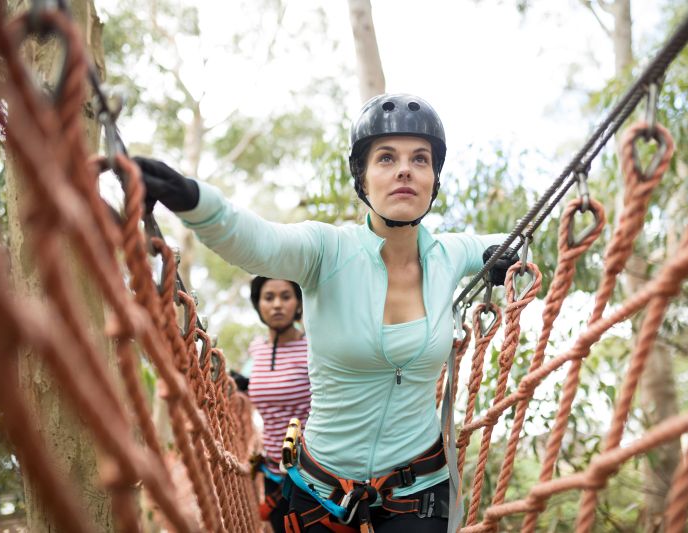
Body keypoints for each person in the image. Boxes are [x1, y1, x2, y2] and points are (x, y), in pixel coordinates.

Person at [135, 93, 512, 533]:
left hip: (420, 490)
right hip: (322, 493)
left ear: (434, 179)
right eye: (386, 158)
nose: (405, 169)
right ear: (363, 179)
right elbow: (256, 241)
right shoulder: (326, 250)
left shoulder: (451, 254)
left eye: (420, 159)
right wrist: (189, 196)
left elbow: (513, 238)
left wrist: (504, 255)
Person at [246, 276, 311, 533]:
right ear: (258, 304)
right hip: (273, 474)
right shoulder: (257, 349)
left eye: (285, 296)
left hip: (314, 476)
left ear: (298, 303)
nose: (277, 305)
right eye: (268, 297)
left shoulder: (314, 348)